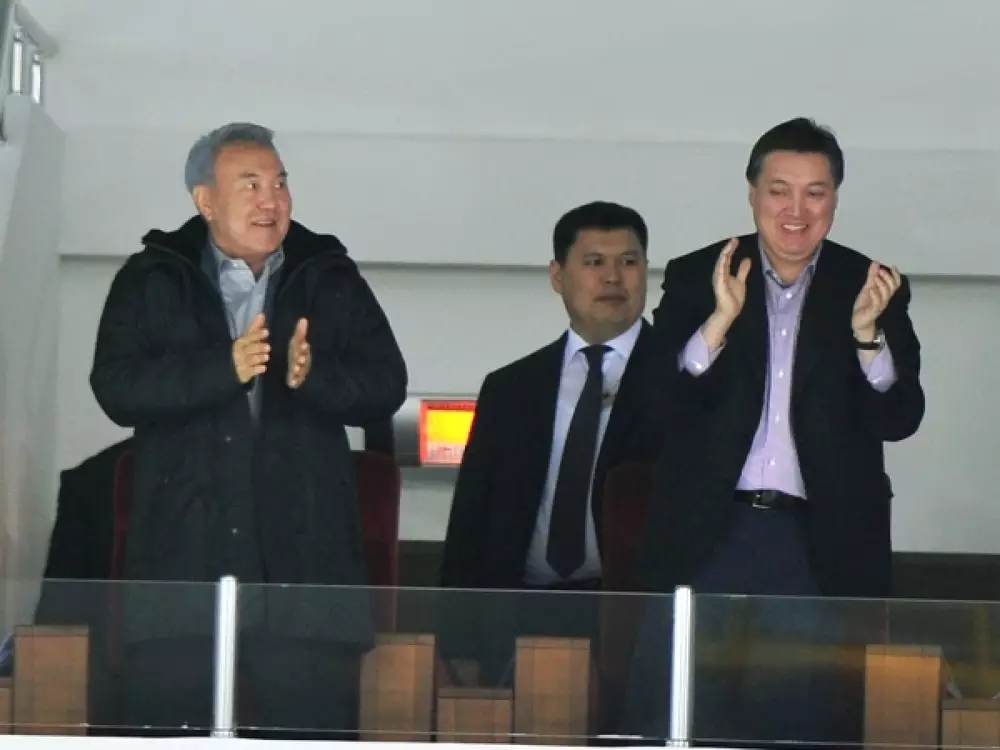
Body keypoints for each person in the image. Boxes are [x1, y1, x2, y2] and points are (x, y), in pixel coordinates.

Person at [89, 122, 407, 737]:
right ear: (205, 200)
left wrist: (314, 377)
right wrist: (223, 369)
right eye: (251, 184)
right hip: (183, 569)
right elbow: (116, 388)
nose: (271, 200)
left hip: (305, 575)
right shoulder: (153, 277)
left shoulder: (328, 274)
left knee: (306, 732)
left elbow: (385, 386)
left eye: (280, 184)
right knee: (169, 731)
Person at [625, 118, 925, 744]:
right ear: (752, 194)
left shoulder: (870, 285)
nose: (796, 211)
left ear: (834, 201)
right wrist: (717, 324)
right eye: (779, 190)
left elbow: (900, 418)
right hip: (708, 530)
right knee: (675, 716)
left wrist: (867, 337)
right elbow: (654, 407)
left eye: (815, 192)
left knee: (797, 720)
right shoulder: (700, 274)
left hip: (815, 541)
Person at [439, 202, 665, 717]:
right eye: (594, 262)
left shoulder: (683, 380)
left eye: (629, 262)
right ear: (558, 276)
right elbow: (471, 522)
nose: (613, 277)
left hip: (637, 623)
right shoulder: (512, 388)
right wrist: (459, 642)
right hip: (522, 614)